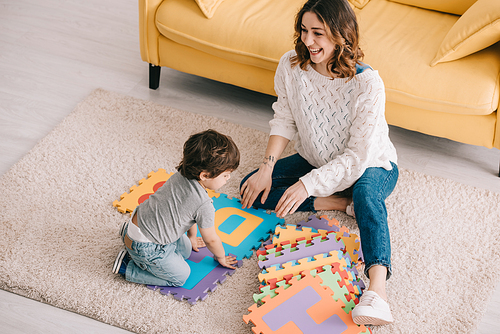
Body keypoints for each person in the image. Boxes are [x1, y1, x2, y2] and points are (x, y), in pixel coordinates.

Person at [239, 0, 398, 326]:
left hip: (371, 165)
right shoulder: (291, 66)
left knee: (367, 196)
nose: (308, 41)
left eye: (318, 33)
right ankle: (339, 202)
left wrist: (305, 185)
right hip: (316, 158)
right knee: (251, 189)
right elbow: (283, 118)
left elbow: (356, 156)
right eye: (304, 31)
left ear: (341, 35)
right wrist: (267, 168)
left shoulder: (367, 83)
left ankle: (378, 291)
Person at [113, 129, 240, 287]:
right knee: (180, 277)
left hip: (140, 221)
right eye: (226, 175)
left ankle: (128, 233)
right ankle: (128, 267)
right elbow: (211, 239)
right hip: (146, 246)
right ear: (205, 175)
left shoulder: (181, 175)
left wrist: (192, 237)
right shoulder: (204, 205)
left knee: (186, 251)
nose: (228, 179)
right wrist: (220, 257)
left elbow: (189, 214)